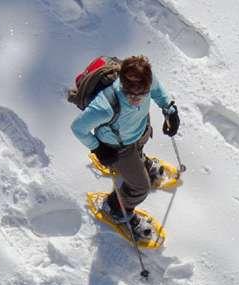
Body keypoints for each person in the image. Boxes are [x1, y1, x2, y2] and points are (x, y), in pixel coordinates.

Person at [71, 55, 180, 238]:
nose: (137, 99)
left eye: (142, 94)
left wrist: (169, 108)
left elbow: (157, 90)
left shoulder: (147, 79)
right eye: (131, 95)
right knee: (140, 188)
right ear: (122, 83)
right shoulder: (104, 106)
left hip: (138, 132)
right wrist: (98, 148)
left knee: (138, 151)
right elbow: (78, 128)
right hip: (117, 147)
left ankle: (141, 164)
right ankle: (116, 209)